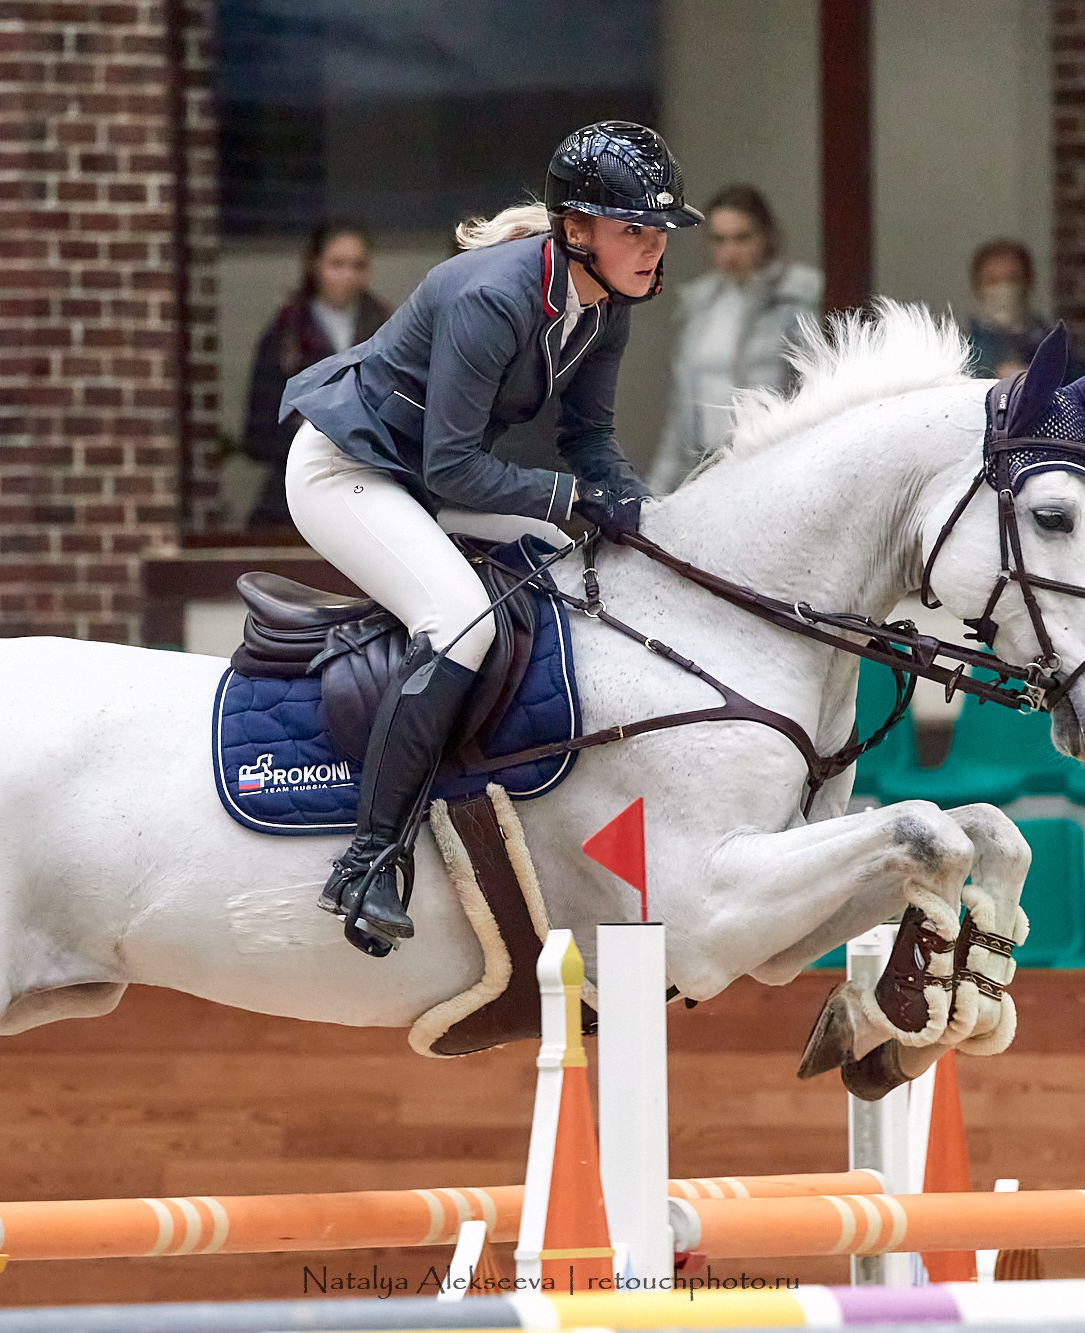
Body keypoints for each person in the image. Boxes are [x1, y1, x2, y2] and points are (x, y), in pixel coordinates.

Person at [278, 121, 701, 954]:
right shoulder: (492, 297)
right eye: (633, 231)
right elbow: (453, 468)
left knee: (583, 569)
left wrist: (630, 504)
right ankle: (366, 864)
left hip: (424, 480)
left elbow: (589, 439)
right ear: (576, 231)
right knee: (459, 619)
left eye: (658, 230)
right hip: (348, 471)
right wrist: (569, 496)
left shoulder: (606, 304)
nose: (653, 248)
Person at [649, 184, 821, 492]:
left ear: (766, 235)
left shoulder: (796, 298)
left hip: (774, 463)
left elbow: (816, 389)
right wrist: (657, 492)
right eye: (720, 240)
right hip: (705, 466)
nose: (730, 251)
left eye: (742, 238)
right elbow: (682, 413)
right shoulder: (700, 306)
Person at [242, 221, 392, 526]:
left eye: (357, 266)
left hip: (370, 484)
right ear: (314, 266)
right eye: (337, 264)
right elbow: (258, 429)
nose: (347, 276)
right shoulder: (286, 335)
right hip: (297, 485)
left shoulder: (387, 330)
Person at [964, 239, 1067, 380]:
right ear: (977, 287)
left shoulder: (1055, 343)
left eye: (1012, 279)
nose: (1004, 289)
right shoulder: (965, 350)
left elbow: (1079, 391)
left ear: (1029, 282)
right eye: (993, 281)